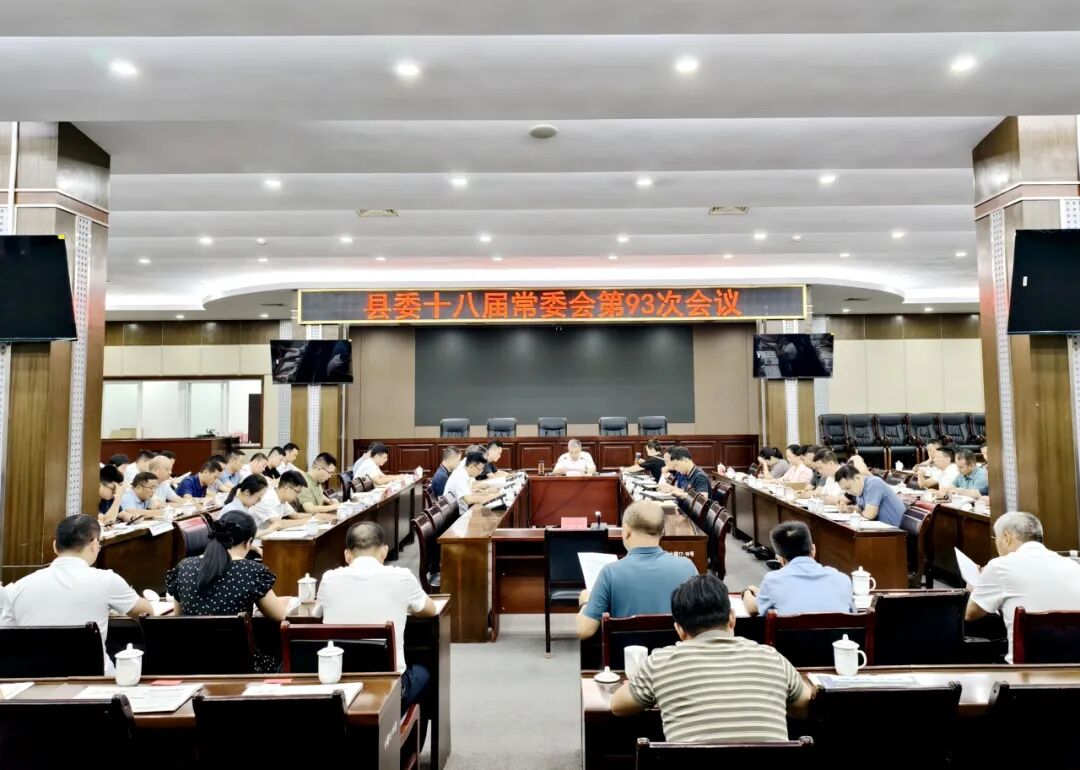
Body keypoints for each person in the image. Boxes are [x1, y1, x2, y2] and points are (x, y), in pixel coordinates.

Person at [609, 573, 811, 741]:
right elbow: (804, 708)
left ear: (679, 629)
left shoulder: (660, 662)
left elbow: (618, 706)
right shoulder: (772, 658)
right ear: (732, 618)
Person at [0, 514, 153, 673]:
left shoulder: (19, 587)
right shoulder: (106, 580)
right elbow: (147, 614)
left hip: (35, 681)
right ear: (94, 544)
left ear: (55, 546)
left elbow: (5, 635)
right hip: (95, 680)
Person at [314, 522, 437, 711]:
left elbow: (316, 613)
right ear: (384, 551)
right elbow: (431, 610)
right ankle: (403, 724)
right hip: (391, 689)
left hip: (340, 684)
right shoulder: (402, 577)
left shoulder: (329, 579)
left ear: (347, 555)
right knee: (426, 671)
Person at [165, 511, 287, 672]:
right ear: (249, 542)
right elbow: (280, 615)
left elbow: (178, 616)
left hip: (191, 665)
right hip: (242, 666)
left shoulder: (184, 567)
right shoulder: (251, 570)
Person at [966, 512, 1080, 662]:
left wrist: (972, 587)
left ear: (1006, 537)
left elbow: (970, 614)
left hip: (1025, 670)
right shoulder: (1073, 566)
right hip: (1074, 667)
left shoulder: (1000, 566)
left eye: (996, 539)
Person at [576, 501, 697, 639]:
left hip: (626, 653)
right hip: (675, 652)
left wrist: (586, 602)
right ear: (662, 531)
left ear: (627, 530)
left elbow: (584, 630)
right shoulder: (688, 567)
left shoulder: (610, 573)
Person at [743, 522, 854, 615]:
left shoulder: (773, 582)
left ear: (780, 559)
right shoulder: (842, 580)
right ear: (813, 550)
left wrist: (747, 592)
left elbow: (752, 608)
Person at [834, 464, 906, 527]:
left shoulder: (873, 483)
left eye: (848, 488)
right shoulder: (860, 489)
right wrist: (848, 508)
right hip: (882, 529)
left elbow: (870, 514)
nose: (848, 492)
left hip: (894, 532)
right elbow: (860, 509)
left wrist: (857, 512)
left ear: (857, 477)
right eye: (845, 490)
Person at [248, 470, 310, 536]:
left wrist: (314, 516)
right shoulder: (267, 499)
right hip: (256, 538)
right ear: (286, 488)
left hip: (269, 536)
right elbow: (279, 524)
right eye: (297, 491)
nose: (298, 495)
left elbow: (296, 515)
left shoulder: (282, 498)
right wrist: (306, 521)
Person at [444, 451, 501, 516]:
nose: (480, 473)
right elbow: (468, 500)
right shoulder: (460, 476)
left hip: (462, 513)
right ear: (472, 466)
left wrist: (486, 493)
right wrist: (490, 498)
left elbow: (468, 495)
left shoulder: (464, 474)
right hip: (458, 517)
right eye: (480, 469)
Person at [659, 446, 710, 512]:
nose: (676, 469)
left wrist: (682, 494)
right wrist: (672, 489)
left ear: (685, 461)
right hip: (684, 510)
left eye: (677, 465)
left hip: (691, 516)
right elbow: (686, 491)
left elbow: (703, 501)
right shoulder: (686, 474)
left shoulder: (699, 477)